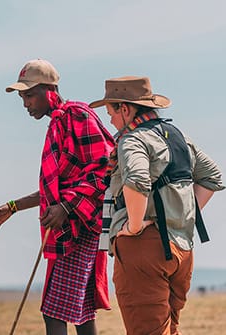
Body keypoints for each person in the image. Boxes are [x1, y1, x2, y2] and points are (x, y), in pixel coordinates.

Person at [0, 59, 115, 335]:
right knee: (82, 314)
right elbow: (56, 190)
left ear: (49, 90)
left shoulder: (77, 116)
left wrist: (66, 206)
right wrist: (13, 206)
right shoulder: (57, 125)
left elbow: (105, 169)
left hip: (81, 229)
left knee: (53, 313)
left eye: (29, 95)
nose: (25, 103)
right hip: (70, 229)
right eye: (22, 97)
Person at [89, 76, 224, 335]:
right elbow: (212, 178)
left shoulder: (132, 140)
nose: (111, 121)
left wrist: (134, 225)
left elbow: (137, 179)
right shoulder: (177, 136)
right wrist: (180, 215)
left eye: (111, 113)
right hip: (182, 248)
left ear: (125, 109)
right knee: (168, 330)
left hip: (144, 249)